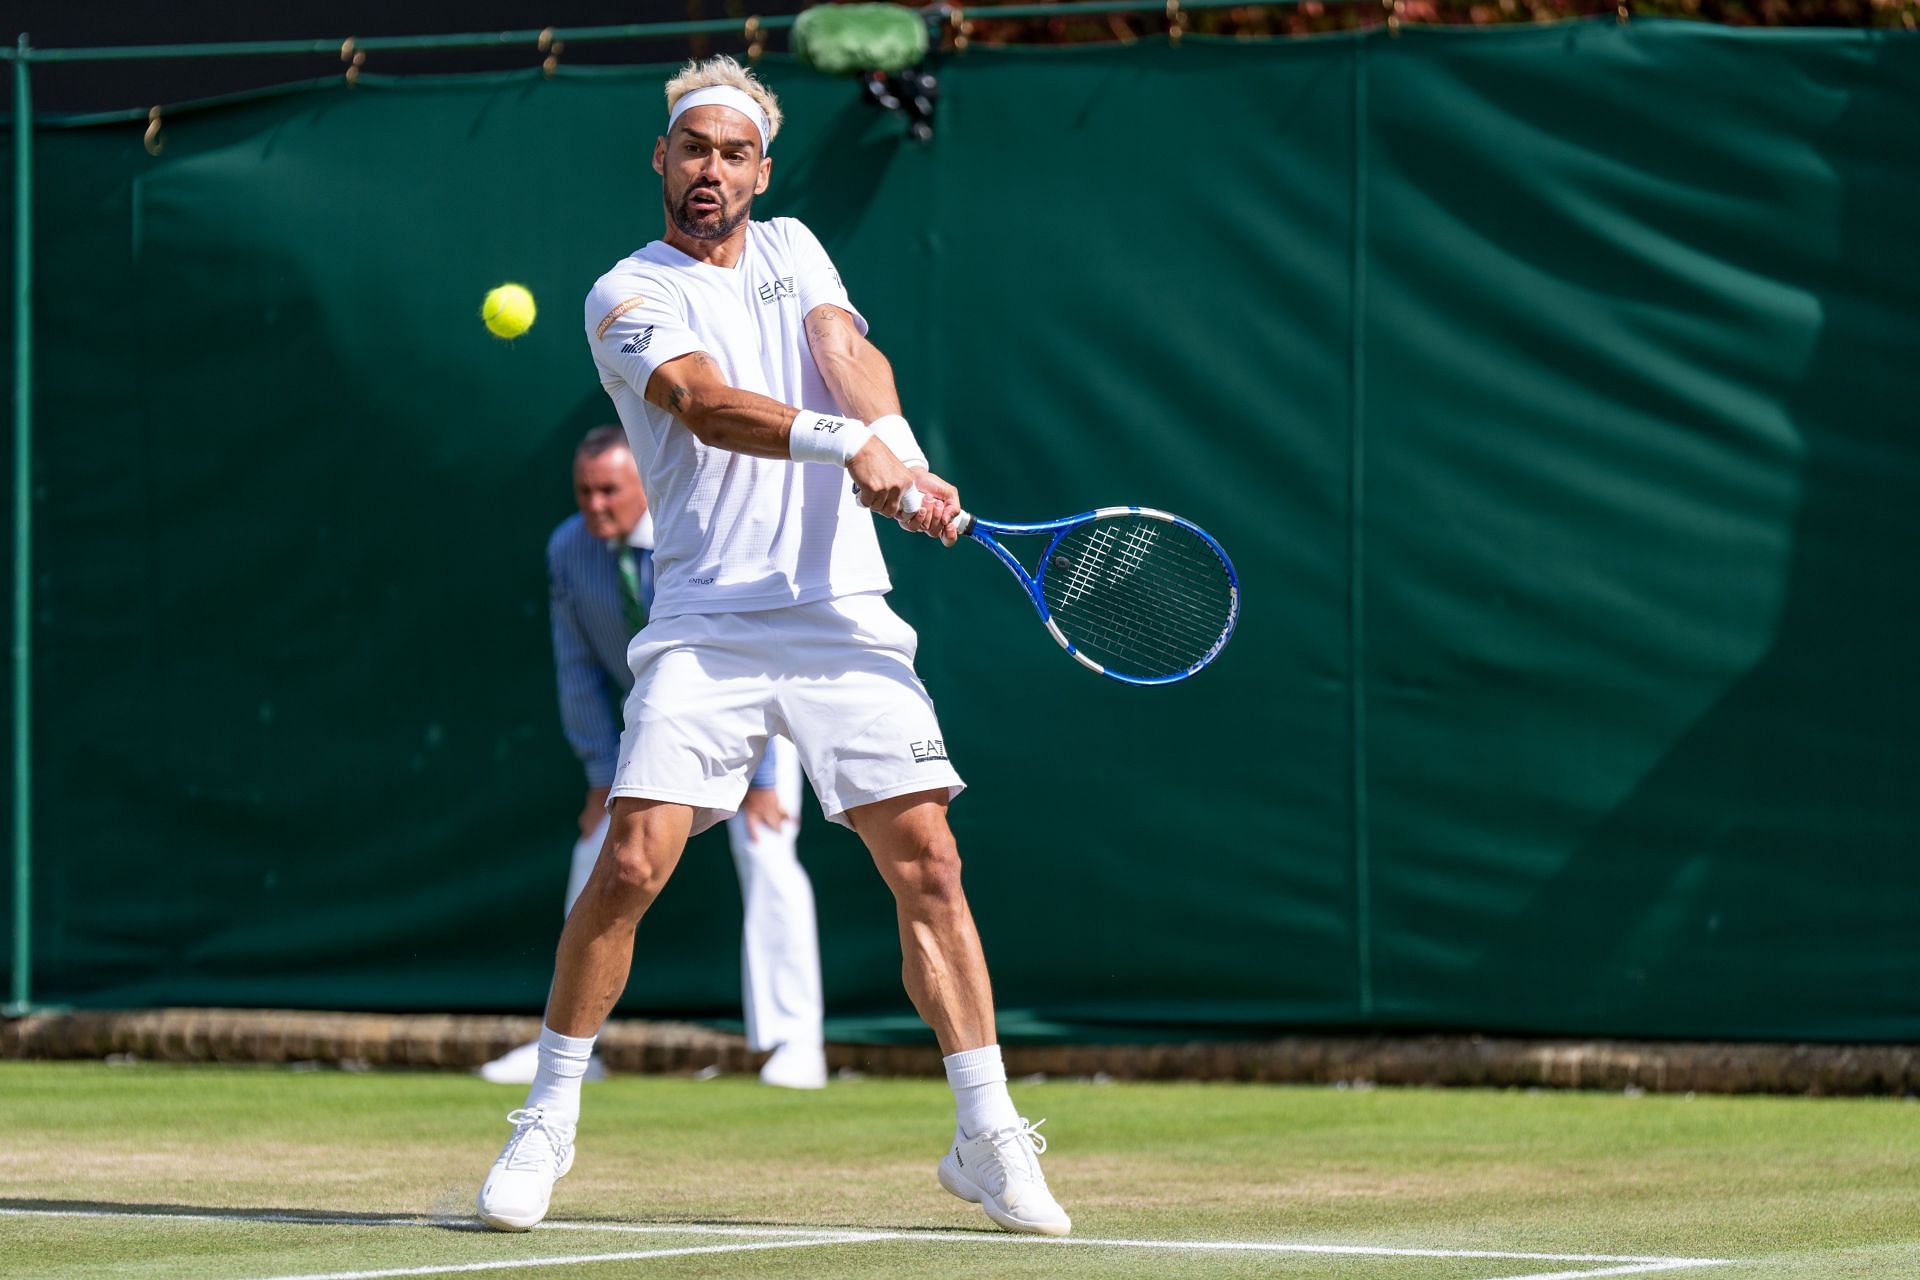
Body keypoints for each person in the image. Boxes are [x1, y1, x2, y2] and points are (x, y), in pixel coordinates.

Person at [474, 55, 1070, 1238]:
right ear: (662, 157)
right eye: (692, 148)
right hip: (707, 621)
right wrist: (852, 444)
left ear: (761, 168)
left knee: (931, 867)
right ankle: (547, 1115)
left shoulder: (797, 248)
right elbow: (703, 404)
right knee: (634, 859)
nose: (711, 170)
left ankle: (988, 1132)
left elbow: (845, 347)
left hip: (842, 610)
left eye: (734, 153)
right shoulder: (622, 291)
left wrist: (897, 448)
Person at [477, 426, 828, 1091]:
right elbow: (577, 669)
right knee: (599, 856)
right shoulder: (568, 550)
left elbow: (742, 647)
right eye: (584, 491)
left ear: (644, 482)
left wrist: (761, 778)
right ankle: (575, 1047)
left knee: (766, 850)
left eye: (609, 490)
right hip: (662, 721)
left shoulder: (694, 536)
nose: (595, 506)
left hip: (755, 709)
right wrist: (598, 774)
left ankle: (795, 1043)